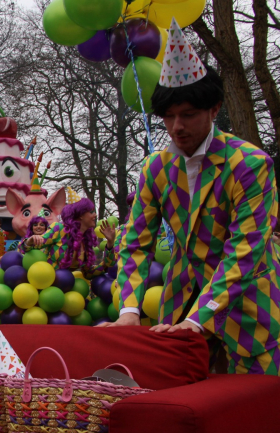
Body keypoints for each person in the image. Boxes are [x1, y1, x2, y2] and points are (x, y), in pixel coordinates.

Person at [100, 21, 279, 375]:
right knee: (182, 409)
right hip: (180, 306)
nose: (176, 126)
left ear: (214, 110)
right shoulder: (156, 168)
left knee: (256, 414)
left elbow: (245, 250)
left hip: (248, 308)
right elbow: (135, 243)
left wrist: (199, 319)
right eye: (169, 116)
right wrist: (129, 311)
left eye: (188, 114)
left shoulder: (250, 165)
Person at [20, 198, 116, 278]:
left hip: (66, 289)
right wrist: (30, 240)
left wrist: (110, 243)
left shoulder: (86, 240)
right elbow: (23, 248)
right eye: (91, 212)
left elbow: (89, 273)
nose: (95, 215)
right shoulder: (60, 229)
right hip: (46, 283)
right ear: (81, 215)